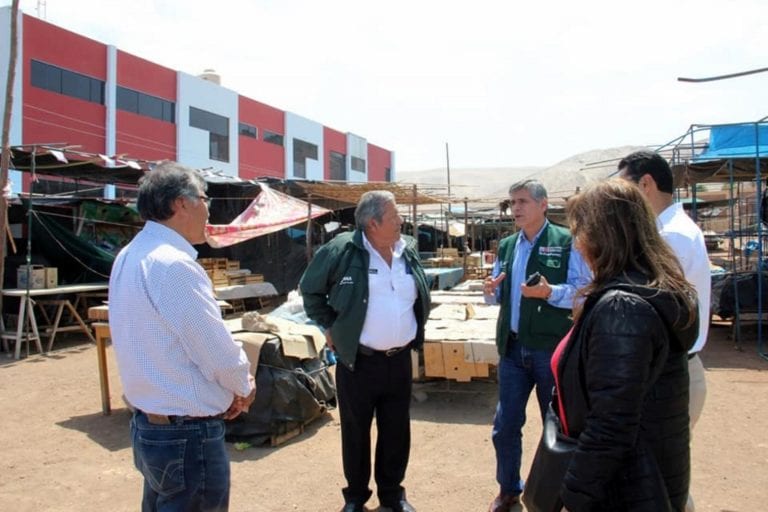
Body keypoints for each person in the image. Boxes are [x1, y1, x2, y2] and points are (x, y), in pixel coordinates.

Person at [109, 161, 256, 511]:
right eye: (205, 199)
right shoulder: (173, 264)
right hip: (186, 435)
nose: (208, 210)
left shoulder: (130, 255)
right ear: (181, 204)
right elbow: (214, 349)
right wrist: (243, 385)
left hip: (152, 426)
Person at [553, 178, 699, 511]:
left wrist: (573, 495)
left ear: (604, 235)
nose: (577, 245)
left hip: (625, 488)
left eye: (580, 232)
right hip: (644, 478)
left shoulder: (623, 310)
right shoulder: (646, 291)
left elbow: (611, 424)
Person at [300, 190, 431, 512]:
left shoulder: (407, 250)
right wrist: (329, 327)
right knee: (356, 433)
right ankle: (356, 498)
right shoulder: (342, 249)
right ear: (372, 223)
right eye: (394, 216)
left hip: (399, 359)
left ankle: (392, 495)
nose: (401, 220)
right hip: (358, 361)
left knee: (396, 431)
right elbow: (310, 290)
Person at [482, 179, 591, 512]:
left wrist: (549, 293)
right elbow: (498, 294)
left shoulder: (567, 242)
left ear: (543, 205)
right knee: (505, 426)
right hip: (513, 349)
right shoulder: (507, 246)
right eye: (512, 202)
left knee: (557, 426)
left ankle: (556, 494)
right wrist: (490, 290)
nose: (515, 208)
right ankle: (509, 489)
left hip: (550, 350)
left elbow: (583, 291)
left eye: (523, 201)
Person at [618, 150, 710, 512]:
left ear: (646, 184)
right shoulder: (668, 231)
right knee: (661, 477)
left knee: (659, 482)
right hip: (672, 367)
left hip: (668, 372)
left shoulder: (670, 238)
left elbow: (645, 313)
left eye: (626, 188)